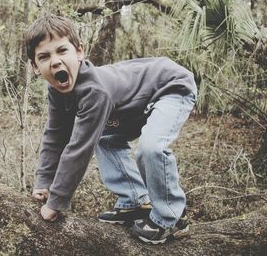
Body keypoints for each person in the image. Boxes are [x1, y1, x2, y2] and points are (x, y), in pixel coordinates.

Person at [26, 13, 197, 244]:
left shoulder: (95, 91)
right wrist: (44, 182)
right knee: (106, 139)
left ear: (79, 52)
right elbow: (56, 136)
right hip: (135, 105)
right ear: (35, 67)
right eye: (44, 56)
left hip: (170, 86)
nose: (55, 61)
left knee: (151, 147)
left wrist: (56, 201)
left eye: (62, 51)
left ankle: (172, 217)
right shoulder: (57, 92)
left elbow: (78, 149)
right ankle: (135, 201)